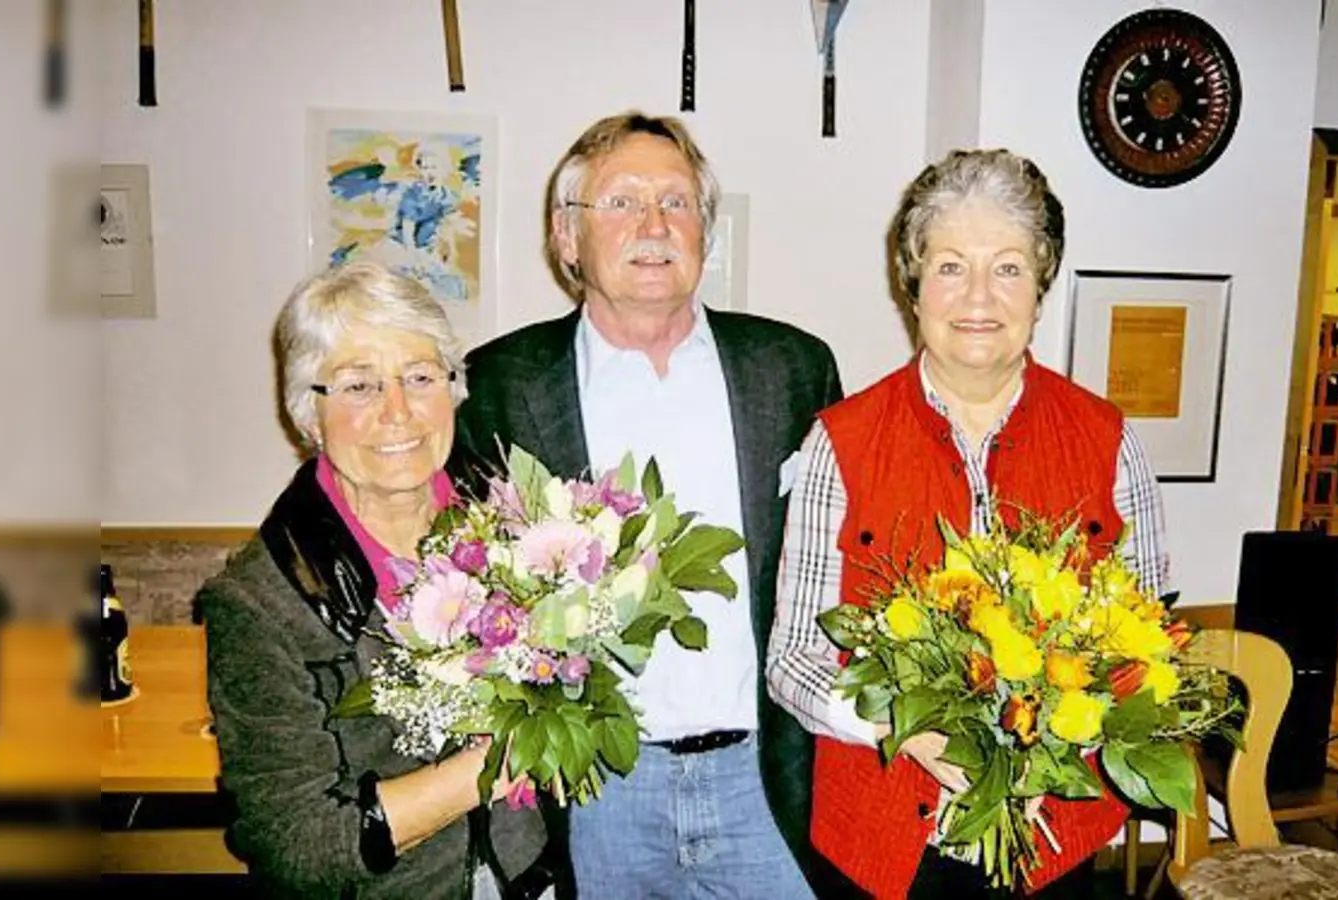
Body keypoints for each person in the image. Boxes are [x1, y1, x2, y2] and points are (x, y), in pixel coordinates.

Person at [449, 111, 844, 899]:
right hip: (596, 788)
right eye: (622, 203)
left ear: (705, 229)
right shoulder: (500, 384)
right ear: (567, 237)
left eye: (678, 202)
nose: (655, 225)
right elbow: (465, 591)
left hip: (764, 781)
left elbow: (837, 572)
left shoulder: (792, 369)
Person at [767, 148, 1174, 898]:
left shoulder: (1108, 439)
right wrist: (902, 727)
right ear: (913, 284)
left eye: (1009, 267)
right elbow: (792, 660)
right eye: (952, 266)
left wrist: (1066, 729)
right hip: (886, 850)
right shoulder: (842, 441)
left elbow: (1145, 643)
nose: (979, 296)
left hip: (1054, 845)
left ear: (1041, 284)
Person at [198, 261, 553, 899]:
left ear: (453, 389)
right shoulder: (261, 603)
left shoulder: (518, 524)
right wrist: (497, 764)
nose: (399, 413)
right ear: (310, 412)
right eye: (359, 386)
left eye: (420, 377)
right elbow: (298, 847)